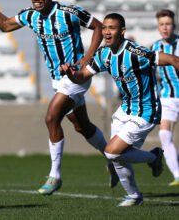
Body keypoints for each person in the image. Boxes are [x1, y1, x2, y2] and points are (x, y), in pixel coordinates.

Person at [0, 0, 118, 195]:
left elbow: (98, 26)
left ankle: (55, 176)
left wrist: (88, 57)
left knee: (51, 118)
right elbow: (4, 25)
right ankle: (117, 158)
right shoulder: (30, 15)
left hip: (77, 76)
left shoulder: (68, 12)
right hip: (58, 79)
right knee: (81, 126)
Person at [60, 12, 179, 206]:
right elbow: (82, 77)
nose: (106, 32)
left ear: (122, 31)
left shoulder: (135, 52)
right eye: (105, 27)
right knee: (117, 158)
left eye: (112, 28)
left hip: (146, 110)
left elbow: (174, 60)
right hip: (125, 110)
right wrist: (71, 75)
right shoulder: (103, 54)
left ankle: (153, 157)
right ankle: (134, 196)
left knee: (112, 152)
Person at [152, 9, 179, 186]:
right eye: (162, 24)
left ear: (173, 25)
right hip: (168, 98)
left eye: (167, 24)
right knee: (164, 134)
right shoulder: (155, 47)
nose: (165, 27)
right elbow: (150, 73)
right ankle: (177, 175)